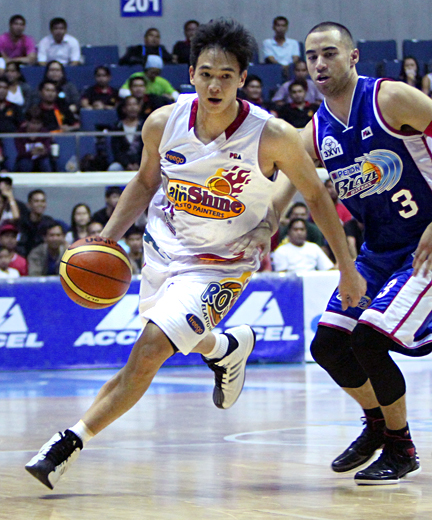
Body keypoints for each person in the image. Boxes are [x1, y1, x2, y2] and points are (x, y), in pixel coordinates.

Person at [25, 18, 364, 491]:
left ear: (242, 79)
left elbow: (317, 198)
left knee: (148, 351)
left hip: (222, 266)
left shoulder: (272, 135)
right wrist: (107, 239)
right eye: (206, 74)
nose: (215, 85)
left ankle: (68, 443)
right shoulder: (163, 123)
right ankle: (225, 349)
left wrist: (346, 268)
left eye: (226, 76)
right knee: (167, 339)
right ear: (190, 74)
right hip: (163, 250)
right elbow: (145, 182)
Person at [301, 21, 432, 485]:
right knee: (329, 344)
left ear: (353, 56)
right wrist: (264, 220)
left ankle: (401, 447)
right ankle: (378, 424)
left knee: (370, 339)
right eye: (312, 56)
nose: (320, 63)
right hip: (379, 251)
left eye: (329, 53)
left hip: (424, 245)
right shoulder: (316, 130)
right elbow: (286, 178)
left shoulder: (390, 98)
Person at [109, 96, 143, 171]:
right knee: (114, 168)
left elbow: (147, 148)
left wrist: (139, 163)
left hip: (142, 162)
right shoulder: (118, 127)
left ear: (139, 107)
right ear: (124, 109)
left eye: (135, 104)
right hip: (123, 163)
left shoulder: (144, 125)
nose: (132, 107)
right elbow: (116, 150)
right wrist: (127, 164)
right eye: (129, 105)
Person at [18, 189, 56, 257]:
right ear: (29, 204)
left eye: (43, 201)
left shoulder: (49, 222)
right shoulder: (21, 222)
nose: (40, 204)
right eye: (36, 201)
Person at [15, 106, 54, 172]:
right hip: (25, 159)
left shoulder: (45, 133)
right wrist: (32, 153)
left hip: (41, 158)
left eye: (38, 123)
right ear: (27, 122)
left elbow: (48, 148)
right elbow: (20, 151)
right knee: (25, 163)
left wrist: (44, 151)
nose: (35, 126)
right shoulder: (20, 133)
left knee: (45, 163)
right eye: (33, 123)